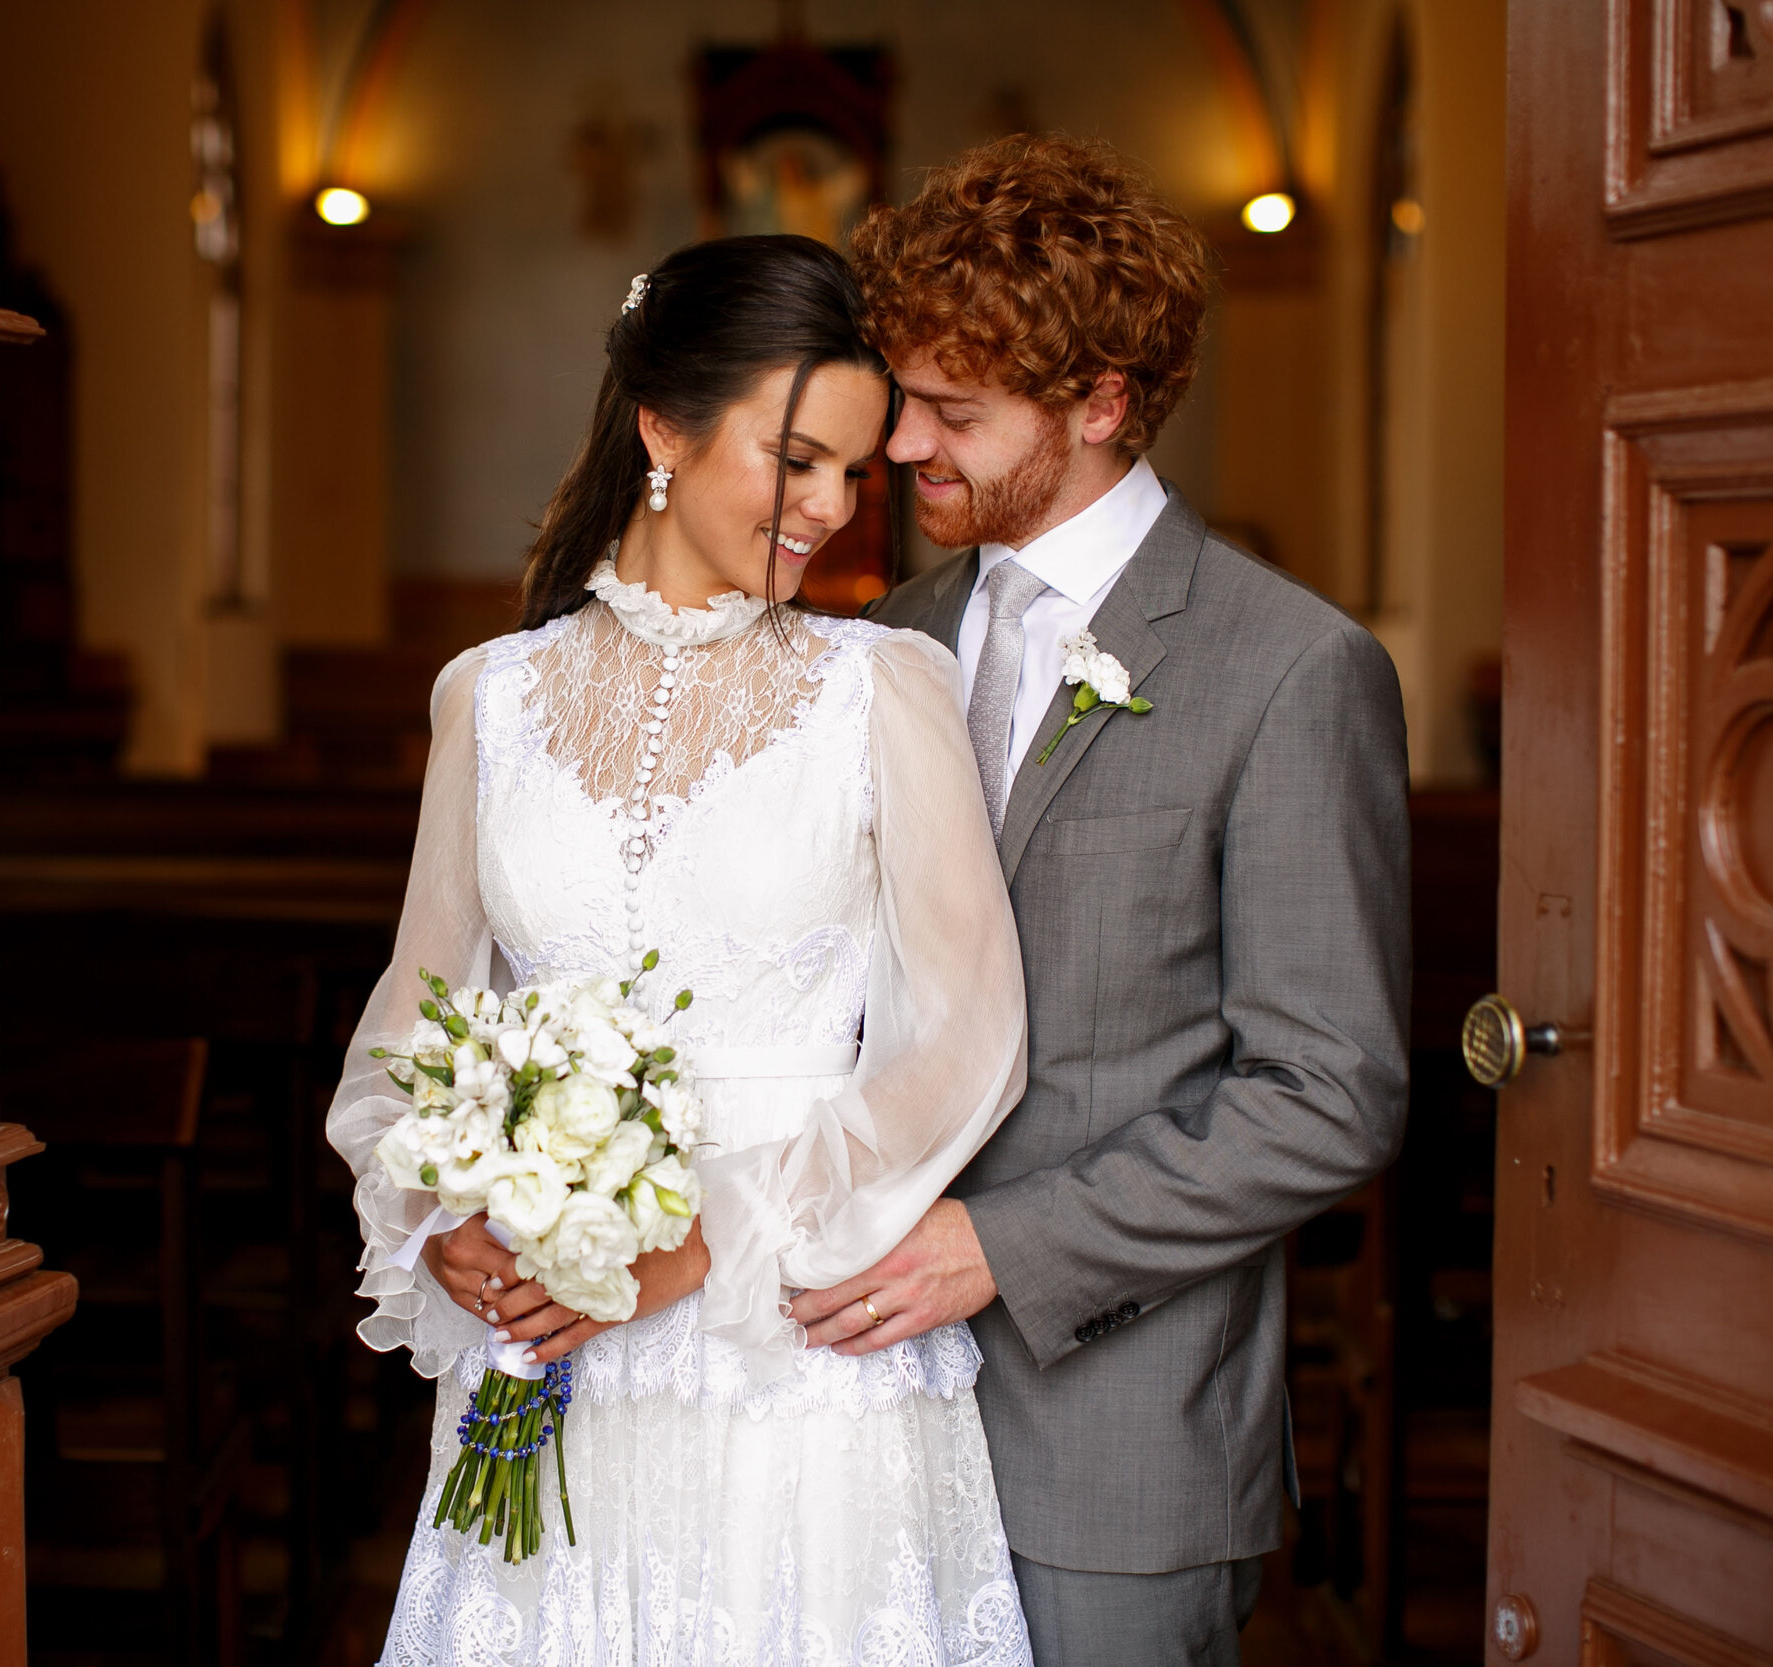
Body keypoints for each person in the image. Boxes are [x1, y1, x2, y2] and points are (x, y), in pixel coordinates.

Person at [327, 235, 1036, 1666]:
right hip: (543, 1345)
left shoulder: (881, 689)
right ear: (661, 426)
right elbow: (417, 1019)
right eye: (796, 461)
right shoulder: (492, 699)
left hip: (799, 1358)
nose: (832, 508)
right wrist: (442, 1211)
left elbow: (967, 1040)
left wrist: (708, 1244)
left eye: (854, 468)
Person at [790, 135, 1412, 1667]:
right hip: (855, 1414)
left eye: (954, 412)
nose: (901, 446)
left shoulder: (1289, 669)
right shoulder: (888, 646)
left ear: (1101, 404)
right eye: (901, 395)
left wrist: (1007, 1249)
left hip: (1123, 1443)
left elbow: (1327, 1093)